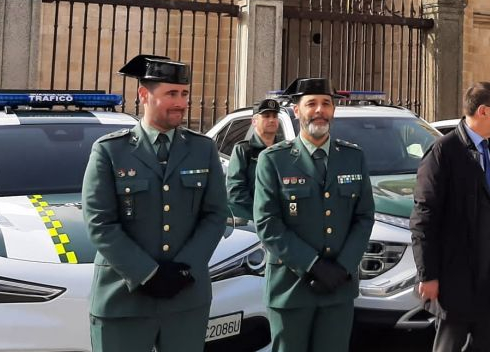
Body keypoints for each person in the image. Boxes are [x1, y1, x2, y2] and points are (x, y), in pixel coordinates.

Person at [81, 54, 227, 352]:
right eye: (171, 94)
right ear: (144, 94)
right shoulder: (110, 151)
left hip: (185, 298)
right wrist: (147, 273)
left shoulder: (203, 149)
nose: (181, 102)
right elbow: (100, 222)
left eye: (184, 94)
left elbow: (215, 215)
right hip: (123, 298)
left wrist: (185, 268)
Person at [253, 77, 375, 352]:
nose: (320, 110)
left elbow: (364, 216)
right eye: (311, 104)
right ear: (296, 111)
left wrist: (342, 267)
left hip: (338, 288)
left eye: (326, 104)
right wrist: (313, 265)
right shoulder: (274, 160)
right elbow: (267, 223)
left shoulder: (353, 157)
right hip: (291, 288)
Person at [410, 81, 490, 352]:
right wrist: (427, 274)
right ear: (483, 111)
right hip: (454, 275)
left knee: (483, 343)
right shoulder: (444, 151)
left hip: (487, 273)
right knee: (450, 343)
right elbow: (424, 217)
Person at [226, 97, 283, 221]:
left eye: (274, 116)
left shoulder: (284, 150)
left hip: (280, 221)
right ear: (254, 121)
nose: (272, 120)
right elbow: (235, 191)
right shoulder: (244, 150)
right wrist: (262, 213)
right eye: (266, 116)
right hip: (251, 221)